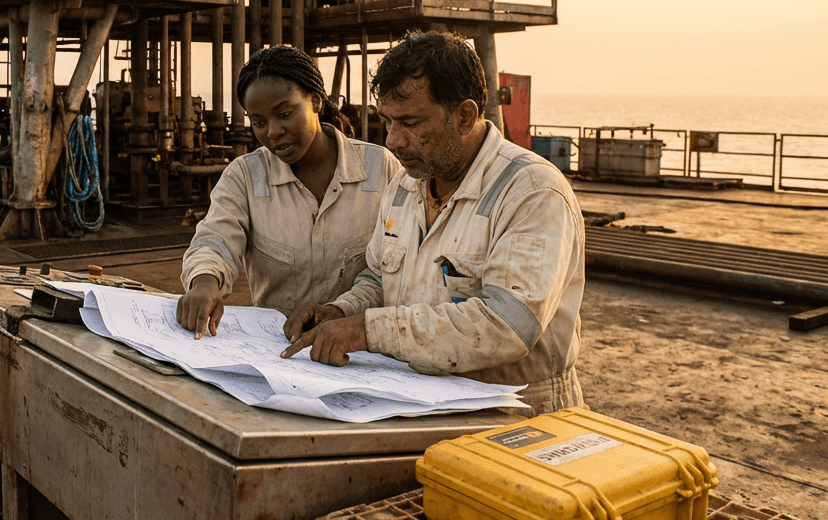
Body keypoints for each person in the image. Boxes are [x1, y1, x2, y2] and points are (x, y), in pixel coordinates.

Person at [280, 31, 586, 414]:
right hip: (423, 402)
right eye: (387, 122)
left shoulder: (532, 192)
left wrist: (366, 330)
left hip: (517, 415)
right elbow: (378, 278)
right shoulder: (405, 186)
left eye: (410, 122)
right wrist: (342, 311)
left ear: (465, 117)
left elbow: (507, 326)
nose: (392, 141)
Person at [177, 45, 401, 337]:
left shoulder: (380, 168)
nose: (272, 131)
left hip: (358, 346)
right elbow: (215, 238)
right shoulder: (245, 177)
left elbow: (393, 267)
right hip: (275, 347)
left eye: (284, 114)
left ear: (316, 101)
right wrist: (205, 281)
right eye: (258, 122)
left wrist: (340, 311)